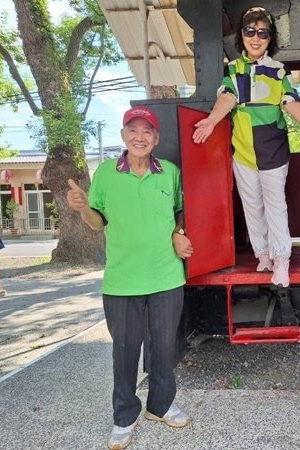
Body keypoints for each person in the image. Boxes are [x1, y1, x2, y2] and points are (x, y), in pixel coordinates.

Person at [67, 106, 194, 450]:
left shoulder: (170, 172)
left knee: (165, 348)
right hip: (122, 281)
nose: (140, 137)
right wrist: (82, 208)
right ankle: (124, 416)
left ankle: (161, 405)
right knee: (125, 352)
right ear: (123, 136)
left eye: (147, 132)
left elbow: (180, 210)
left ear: (156, 139)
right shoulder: (106, 174)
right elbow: (98, 222)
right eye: (133, 130)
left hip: (166, 276)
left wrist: (178, 232)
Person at [192, 6, 300, 288]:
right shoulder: (232, 69)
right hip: (243, 151)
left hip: (273, 150)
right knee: (252, 206)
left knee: (275, 207)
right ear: (242, 35)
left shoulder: (278, 70)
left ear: (271, 38)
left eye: (263, 33)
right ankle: (263, 255)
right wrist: (211, 120)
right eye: (250, 32)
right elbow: (229, 97)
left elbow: (291, 101)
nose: (256, 38)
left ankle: (281, 261)